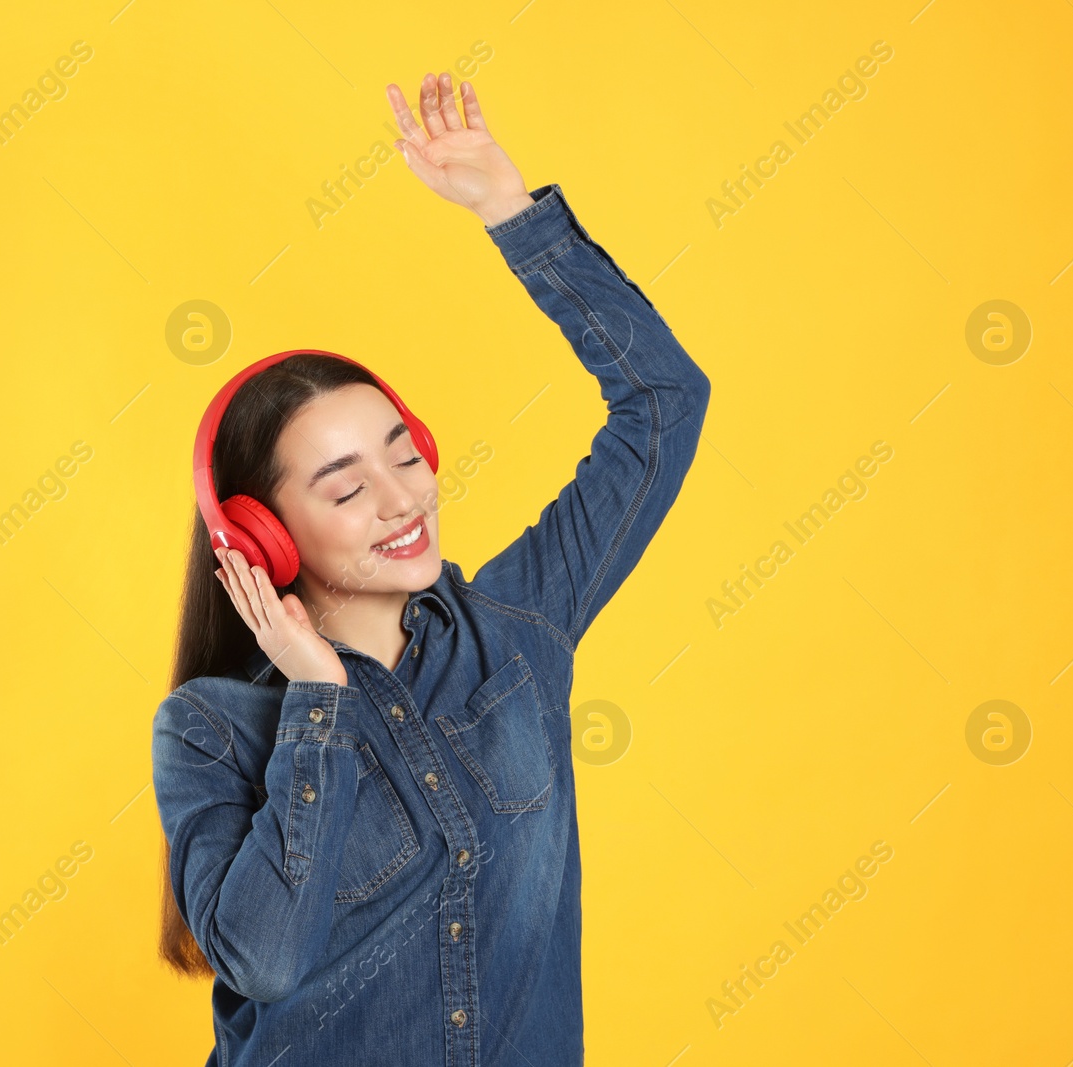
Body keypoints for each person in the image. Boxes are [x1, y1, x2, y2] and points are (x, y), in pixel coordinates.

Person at [151, 71, 712, 1065]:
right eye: (344, 484)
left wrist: (506, 207)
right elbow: (265, 960)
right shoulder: (212, 725)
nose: (402, 496)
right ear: (262, 535)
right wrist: (317, 702)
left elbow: (663, 399)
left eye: (402, 449)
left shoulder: (521, 624)